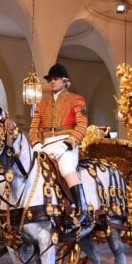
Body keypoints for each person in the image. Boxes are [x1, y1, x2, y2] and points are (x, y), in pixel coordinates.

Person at [27, 63, 92, 238]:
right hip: (45, 144)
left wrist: (69, 142)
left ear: (65, 81)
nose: (52, 82)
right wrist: (36, 143)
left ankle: (82, 209)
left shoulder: (76, 99)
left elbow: (82, 124)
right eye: (50, 79)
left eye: (55, 79)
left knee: (66, 168)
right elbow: (33, 127)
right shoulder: (42, 103)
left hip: (66, 143)